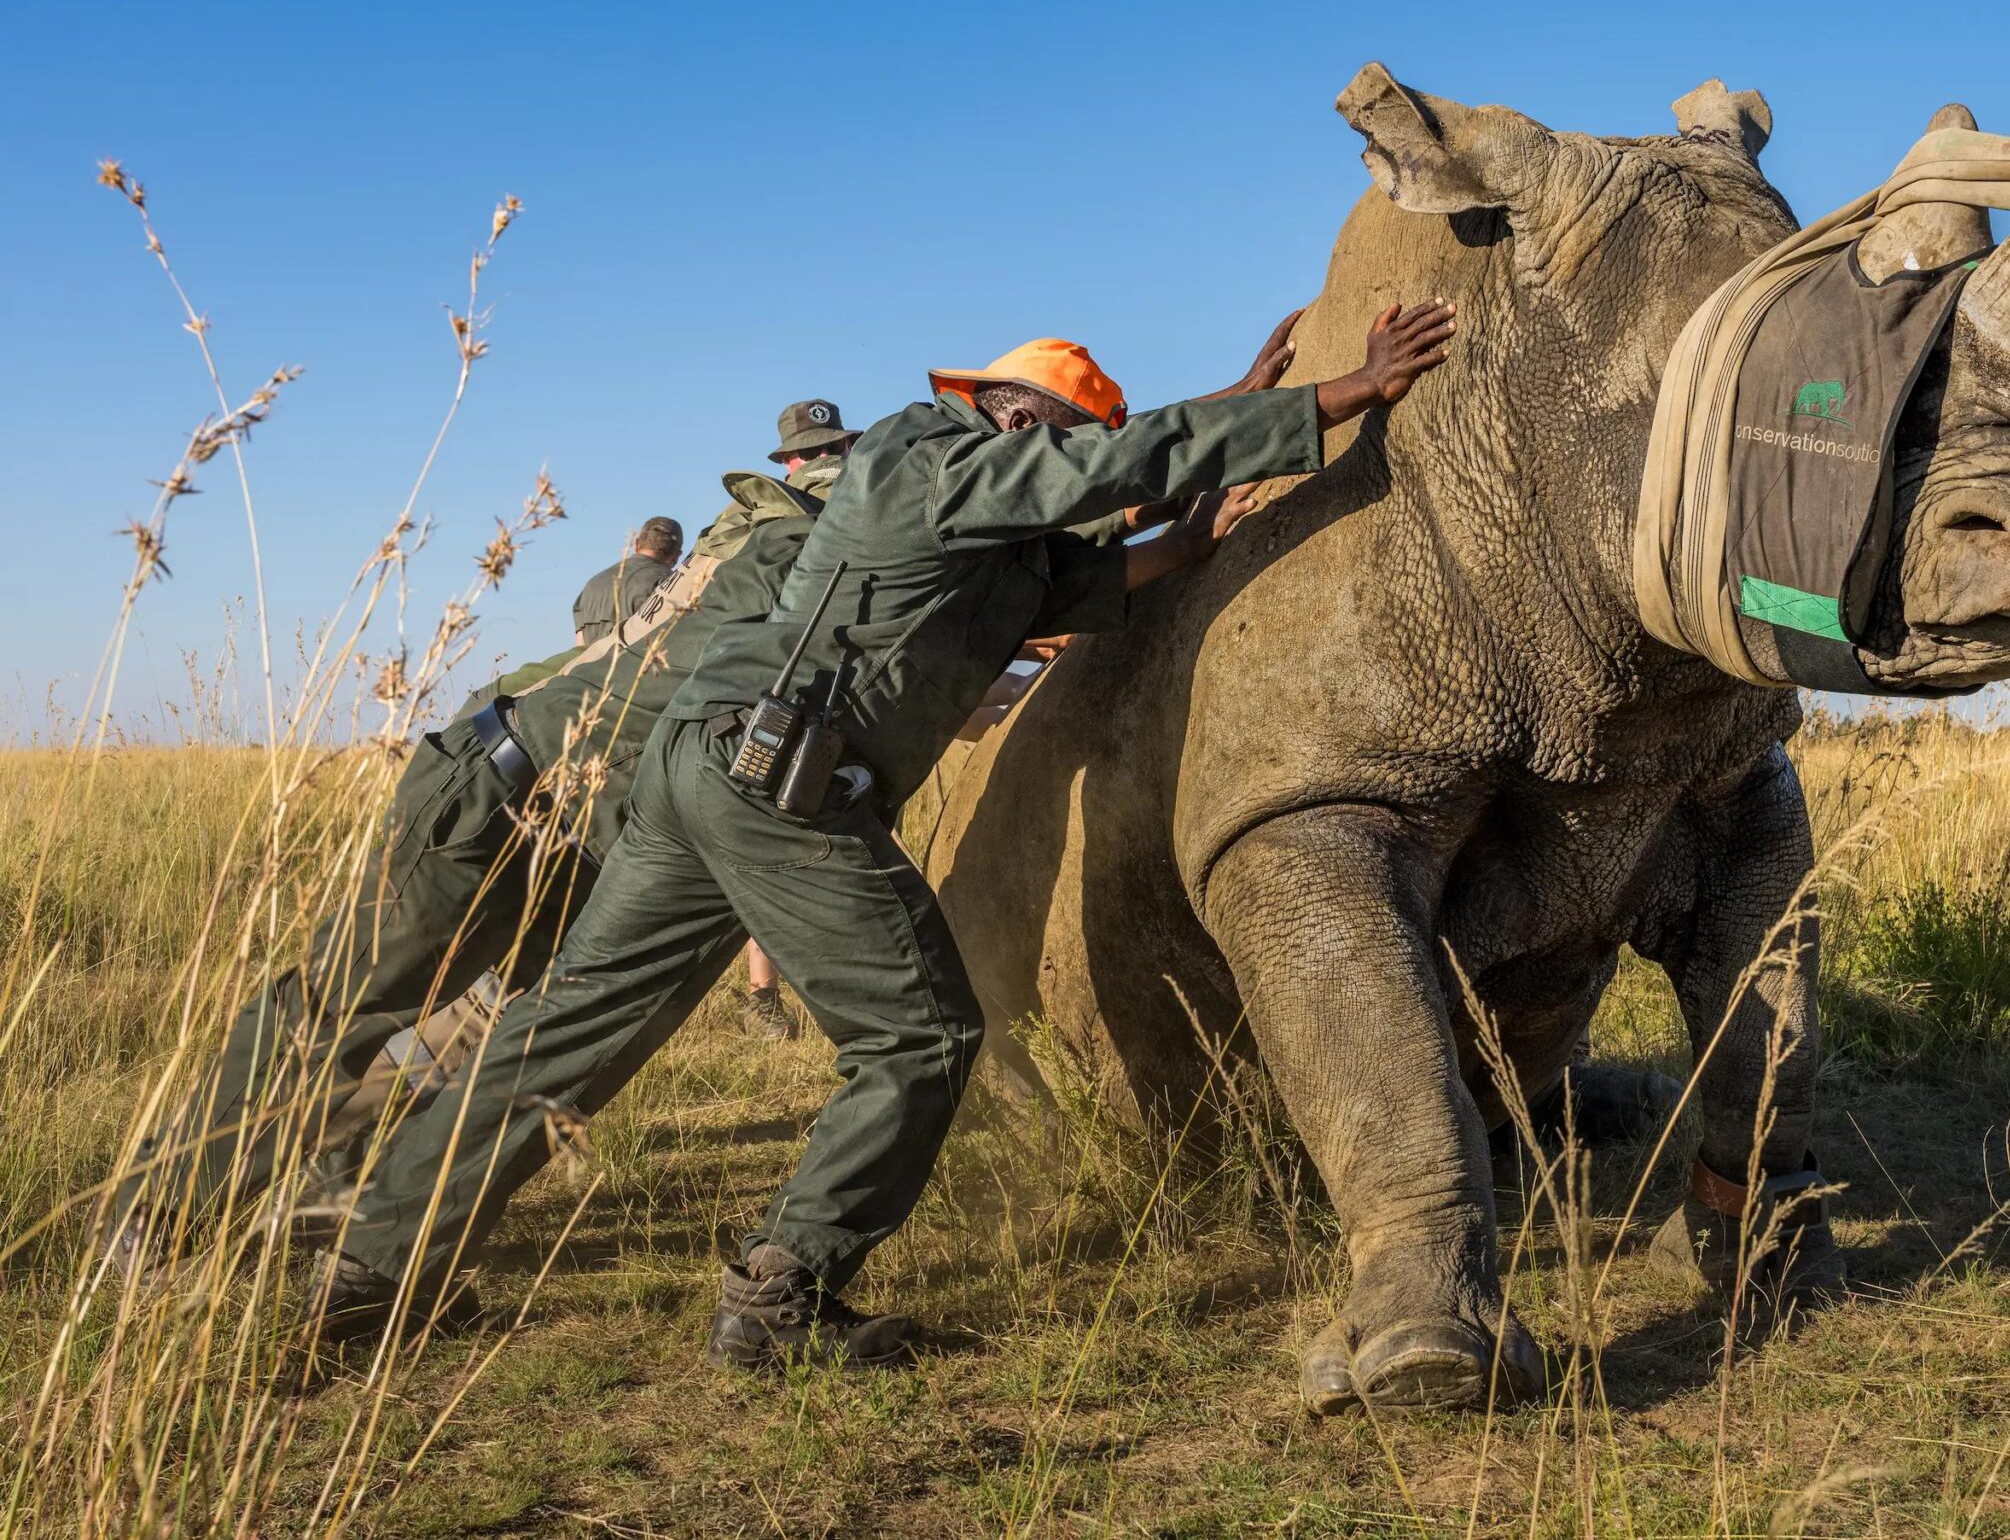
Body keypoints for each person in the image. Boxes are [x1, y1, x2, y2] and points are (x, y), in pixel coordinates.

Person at [312, 303, 1455, 1370]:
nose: (1063, 469)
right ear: (1013, 418)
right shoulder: (917, 454)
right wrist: (1341, 394)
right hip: (774, 779)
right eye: (1061, 438)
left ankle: (373, 1270)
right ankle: (780, 1298)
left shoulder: (985, 548)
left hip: (717, 774)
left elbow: (1119, 548)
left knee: (574, 1029)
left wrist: (1225, 447)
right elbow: (1102, 472)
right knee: (921, 1036)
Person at [106, 458, 835, 1271]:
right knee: (347, 1002)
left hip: (584, 827)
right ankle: (158, 1211)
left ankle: (334, 1200)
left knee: (474, 1035)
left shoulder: (740, 558)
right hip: (508, 786)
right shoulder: (780, 562)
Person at [738, 402, 859, 1039]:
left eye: (831, 452)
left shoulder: (750, 518)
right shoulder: (823, 513)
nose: (824, 464)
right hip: (783, 712)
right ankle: (765, 999)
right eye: (816, 454)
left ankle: (766, 999)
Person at [572, 515, 684, 644]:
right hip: (643, 663)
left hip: (590, 664)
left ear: (636, 544)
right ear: (676, 556)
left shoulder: (593, 584)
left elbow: (579, 647)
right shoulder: (669, 583)